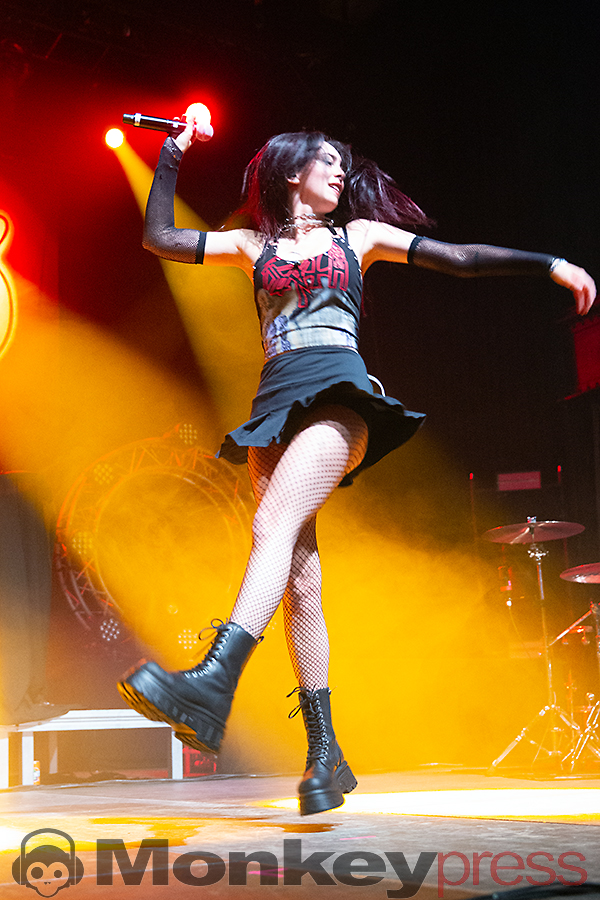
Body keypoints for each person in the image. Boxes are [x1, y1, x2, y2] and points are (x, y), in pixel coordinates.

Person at [119, 116, 596, 815]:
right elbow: (159, 238)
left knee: (270, 526)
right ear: (292, 173)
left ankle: (214, 680)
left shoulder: (359, 237)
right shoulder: (251, 245)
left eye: (343, 164)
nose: (341, 172)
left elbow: (458, 258)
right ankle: (325, 756)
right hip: (274, 407)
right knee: (300, 579)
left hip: (340, 400)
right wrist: (173, 150)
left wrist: (548, 264)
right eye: (327, 161)